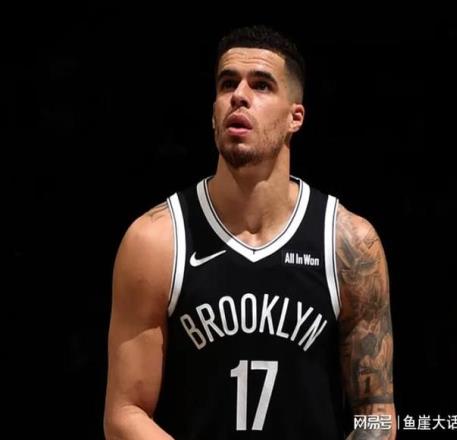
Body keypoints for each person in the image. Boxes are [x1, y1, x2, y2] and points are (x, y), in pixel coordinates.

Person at [104, 25, 396, 440]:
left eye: (261, 85)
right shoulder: (155, 240)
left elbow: (376, 414)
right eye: (227, 84)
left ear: (295, 117)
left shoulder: (349, 243)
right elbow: (124, 413)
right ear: (213, 113)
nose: (238, 95)